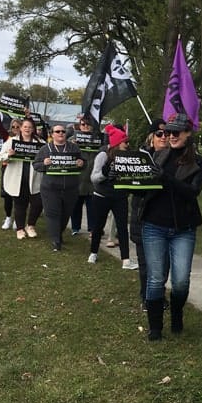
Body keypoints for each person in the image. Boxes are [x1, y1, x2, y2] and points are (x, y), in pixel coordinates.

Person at [138, 114, 202, 341]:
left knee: (180, 281)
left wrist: (166, 179)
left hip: (183, 228)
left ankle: (177, 313)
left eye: (176, 133)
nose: (171, 136)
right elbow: (141, 187)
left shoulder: (198, 162)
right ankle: (155, 327)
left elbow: (192, 192)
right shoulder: (157, 156)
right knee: (156, 278)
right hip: (154, 225)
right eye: (168, 132)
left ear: (188, 134)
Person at [130, 118, 169, 309]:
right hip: (142, 215)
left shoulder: (176, 159)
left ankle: (159, 294)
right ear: (151, 137)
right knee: (145, 262)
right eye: (159, 134)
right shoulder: (141, 157)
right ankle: (147, 297)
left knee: (164, 263)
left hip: (166, 218)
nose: (163, 137)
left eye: (167, 134)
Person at [88, 126, 138, 270]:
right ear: (117, 143)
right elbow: (94, 177)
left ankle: (126, 260)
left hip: (120, 196)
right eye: (125, 142)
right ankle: (93, 252)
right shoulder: (103, 155)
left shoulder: (127, 156)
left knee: (122, 228)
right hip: (102, 196)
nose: (128, 145)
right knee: (98, 226)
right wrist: (105, 174)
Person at [34, 124, 85, 251]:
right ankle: (55, 240)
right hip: (50, 188)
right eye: (57, 131)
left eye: (63, 131)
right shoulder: (45, 149)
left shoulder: (73, 147)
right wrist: (44, 164)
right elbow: (36, 165)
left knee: (65, 214)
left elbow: (83, 163)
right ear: (52, 134)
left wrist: (81, 163)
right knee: (53, 214)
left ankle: (58, 233)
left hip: (70, 188)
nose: (61, 133)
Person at [0, 116, 43, 240]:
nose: (27, 129)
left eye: (30, 127)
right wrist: (8, 154)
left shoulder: (40, 143)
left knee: (38, 204)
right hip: (17, 178)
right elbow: (0, 157)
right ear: (21, 128)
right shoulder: (12, 141)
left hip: (35, 179)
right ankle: (20, 229)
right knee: (20, 205)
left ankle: (31, 226)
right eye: (25, 127)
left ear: (33, 129)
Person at [68, 114, 97, 237]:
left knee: (92, 207)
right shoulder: (72, 139)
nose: (85, 126)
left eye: (88, 124)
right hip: (78, 178)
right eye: (83, 124)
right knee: (76, 205)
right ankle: (75, 227)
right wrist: (72, 145)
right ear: (79, 126)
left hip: (92, 178)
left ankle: (92, 228)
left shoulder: (98, 139)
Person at [0, 118, 23, 229]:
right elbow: (0, 156)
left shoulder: (28, 141)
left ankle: (17, 219)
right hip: (9, 170)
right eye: (13, 127)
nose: (16, 129)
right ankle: (8, 218)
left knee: (19, 197)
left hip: (22, 171)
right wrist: (8, 155)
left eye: (18, 126)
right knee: (7, 196)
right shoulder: (9, 140)